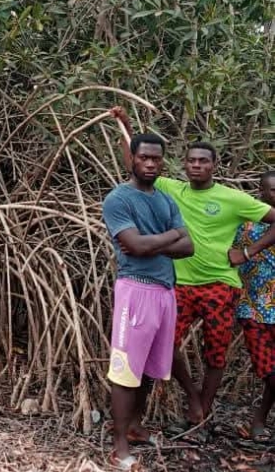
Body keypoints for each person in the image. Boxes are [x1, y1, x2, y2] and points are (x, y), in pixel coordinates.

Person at [110, 107, 275, 424]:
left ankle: (202, 413)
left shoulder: (233, 198)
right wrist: (125, 125)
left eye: (203, 161)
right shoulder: (171, 189)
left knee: (216, 353)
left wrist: (247, 252)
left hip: (220, 286)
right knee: (164, 345)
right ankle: (192, 398)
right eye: (192, 161)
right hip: (180, 285)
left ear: (214, 165)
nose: (197, 166)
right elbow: (134, 160)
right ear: (183, 164)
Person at [102, 133, 194, 471]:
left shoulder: (166, 201)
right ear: (133, 159)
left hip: (165, 292)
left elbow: (189, 247)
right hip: (135, 290)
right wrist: (171, 236)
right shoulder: (118, 199)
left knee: (148, 369)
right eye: (144, 158)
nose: (151, 164)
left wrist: (154, 241)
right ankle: (119, 448)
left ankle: (135, 427)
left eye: (156, 158)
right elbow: (134, 247)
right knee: (126, 369)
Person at [234, 170, 275, 438]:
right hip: (252, 307)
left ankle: (259, 420)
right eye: (272, 189)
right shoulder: (244, 223)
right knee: (268, 370)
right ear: (261, 192)